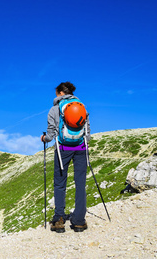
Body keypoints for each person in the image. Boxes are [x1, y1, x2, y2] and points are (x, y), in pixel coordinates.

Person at [41, 81, 90, 233]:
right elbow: (87, 130)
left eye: (56, 93)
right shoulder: (82, 106)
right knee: (80, 183)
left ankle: (59, 220)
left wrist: (44, 139)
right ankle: (79, 221)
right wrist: (84, 143)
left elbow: (51, 134)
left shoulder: (54, 109)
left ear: (61, 93)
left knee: (60, 184)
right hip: (81, 148)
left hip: (63, 149)